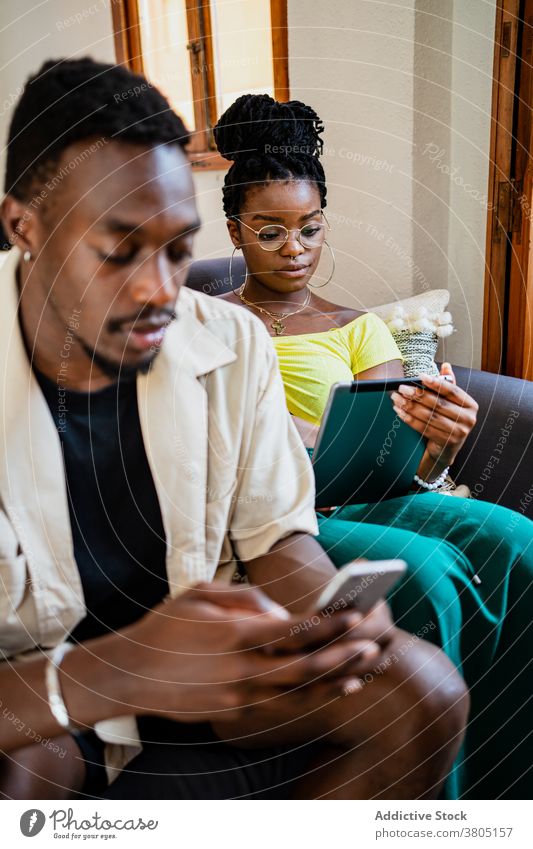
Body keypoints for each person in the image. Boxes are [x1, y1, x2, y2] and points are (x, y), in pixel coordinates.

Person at [0, 58, 467, 801]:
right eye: (119, 248)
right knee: (29, 770)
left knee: (420, 691)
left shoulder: (228, 341)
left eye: (177, 247)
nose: (161, 289)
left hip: (215, 674)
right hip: (47, 691)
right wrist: (128, 663)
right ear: (23, 224)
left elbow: (276, 536)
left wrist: (325, 615)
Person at [213, 93, 533, 799]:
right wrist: (281, 434)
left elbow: (394, 458)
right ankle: (430, 807)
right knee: (418, 569)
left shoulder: (356, 327)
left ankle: (509, 790)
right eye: (269, 232)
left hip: (360, 494)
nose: (293, 249)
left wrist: (438, 438)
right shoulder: (201, 320)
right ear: (234, 231)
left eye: (309, 228)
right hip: (276, 514)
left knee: (516, 538)